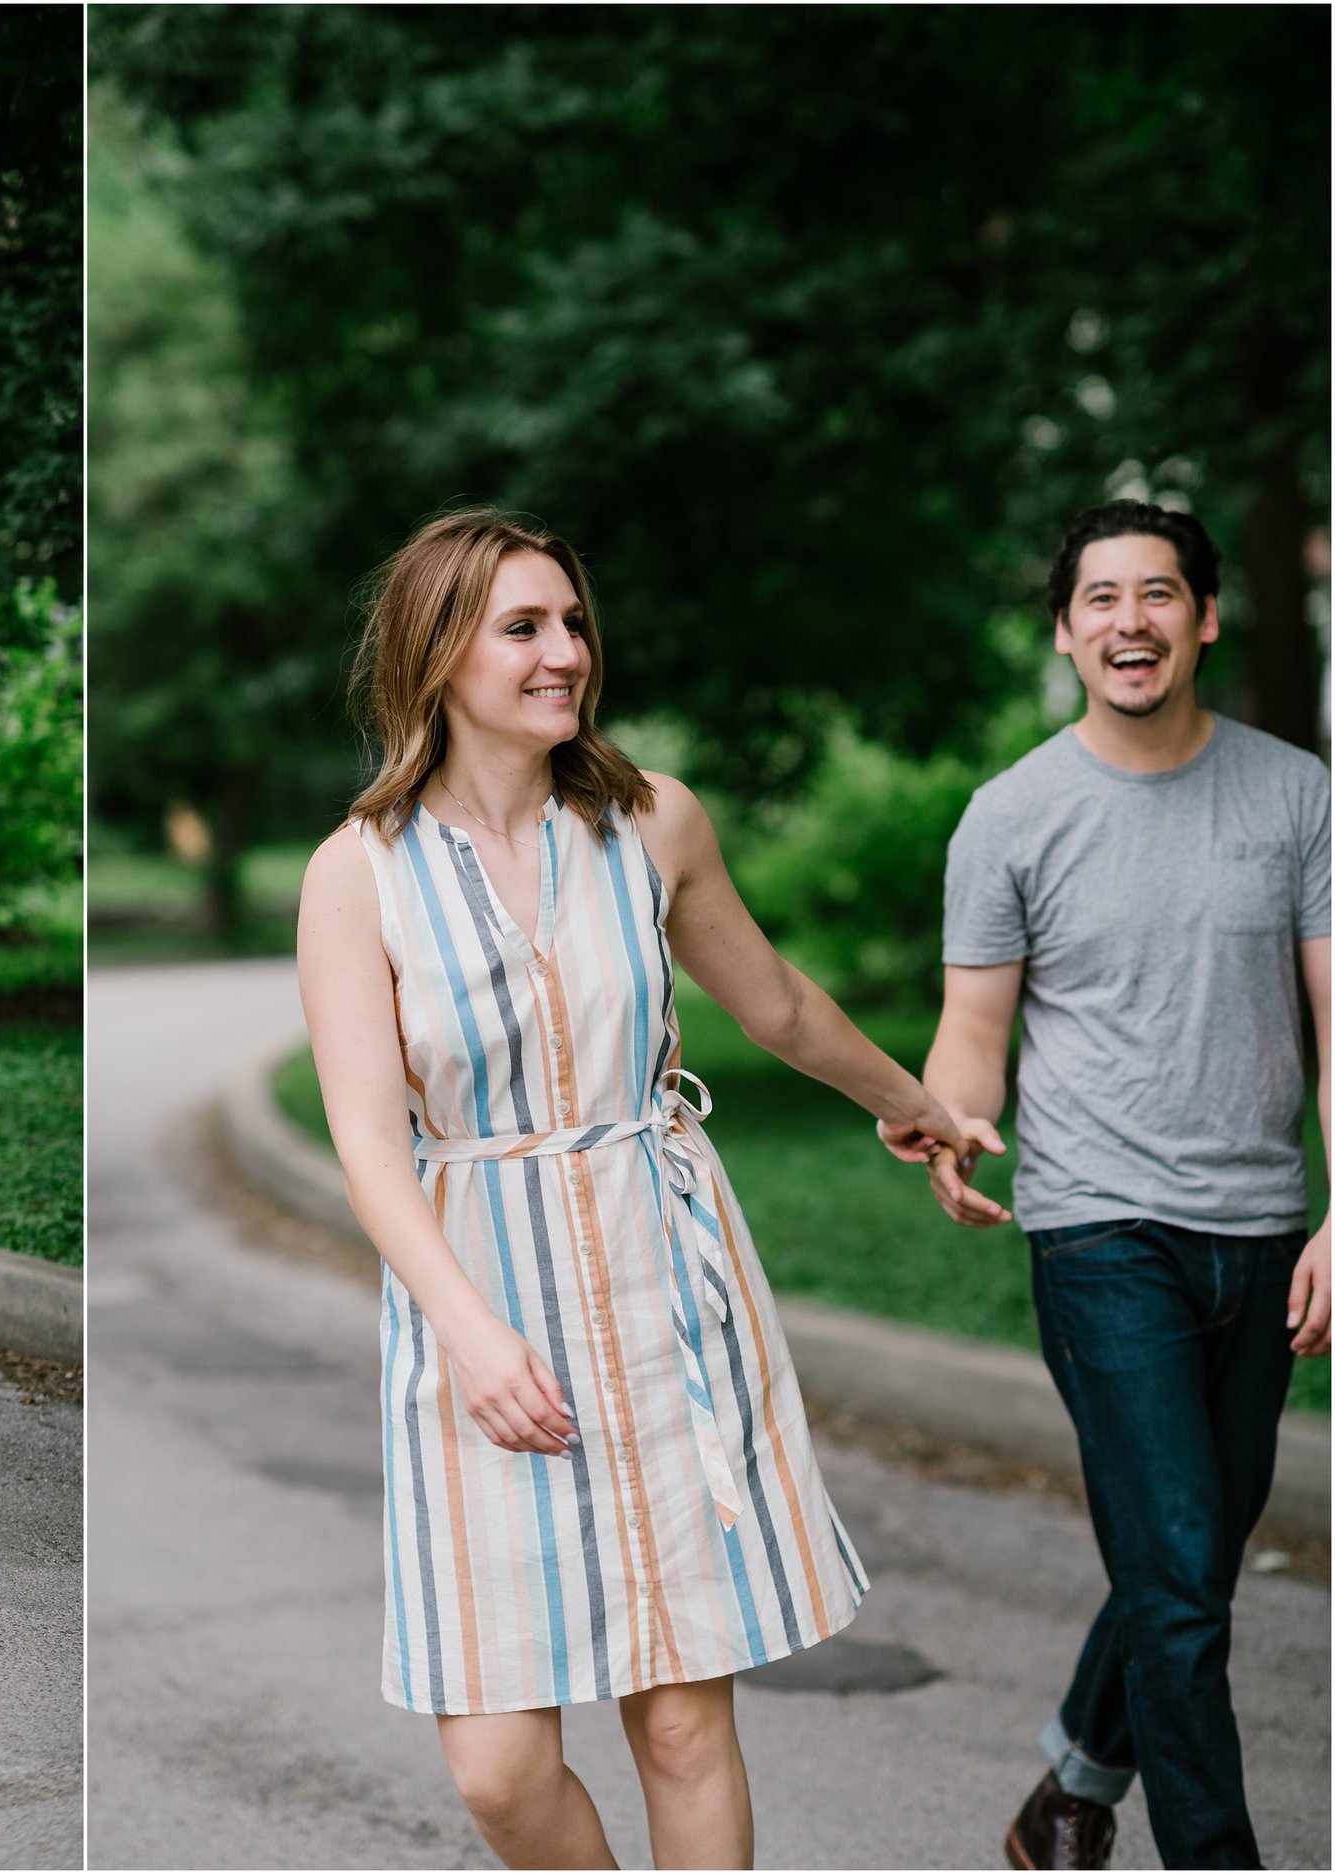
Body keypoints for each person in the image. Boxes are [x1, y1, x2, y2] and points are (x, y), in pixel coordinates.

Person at [297, 506, 1002, 1869]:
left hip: (661, 1290)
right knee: (501, 1771)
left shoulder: (651, 820)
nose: (564, 652)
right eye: (524, 627)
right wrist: (474, 1330)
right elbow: (372, 1147)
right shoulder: (355, 875)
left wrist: (917, 1109)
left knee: (681, 1724)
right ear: (437, 653)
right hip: (478, 1321)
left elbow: (782, 1005)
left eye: (572, 622)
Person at [917, 500, 1329, 1872]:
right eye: (1102, 598)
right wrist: (949, 1122)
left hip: (1262, 1229)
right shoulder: (1013, 816)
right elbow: (974, 1034)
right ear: (1066, 629)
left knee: (1187, 1562)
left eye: (1160, 594)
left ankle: (1070, 1790)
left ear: (1205, 618)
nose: (1131, 620)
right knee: (1182, 1576)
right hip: (1100, 1227)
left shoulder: (1298, 795)